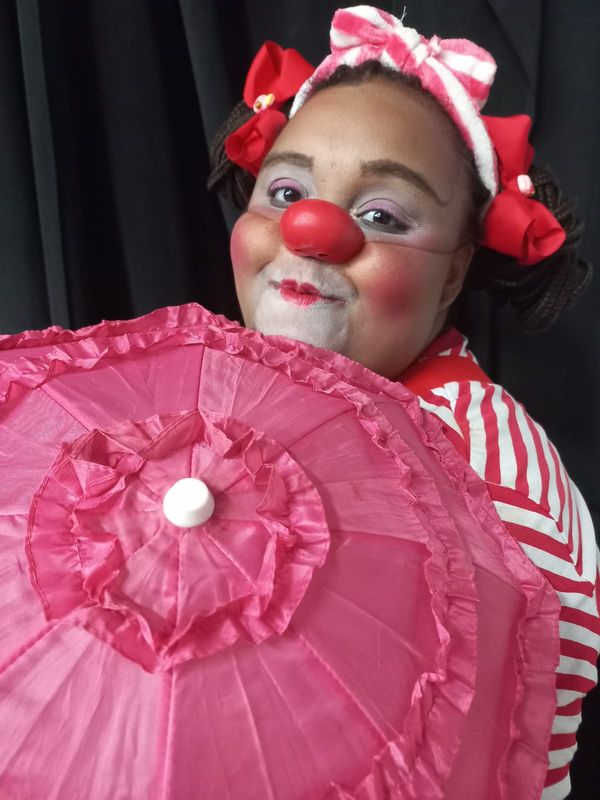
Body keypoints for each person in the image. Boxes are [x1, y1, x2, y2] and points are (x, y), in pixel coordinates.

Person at [207, 6, 599, 798]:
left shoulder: (483, 498)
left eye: (381, 215)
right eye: (286, 190)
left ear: (452, 275)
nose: (311, 229)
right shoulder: (266, 401)